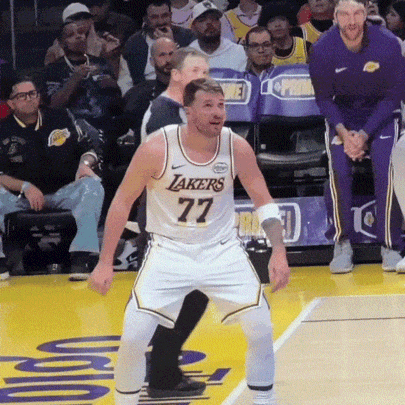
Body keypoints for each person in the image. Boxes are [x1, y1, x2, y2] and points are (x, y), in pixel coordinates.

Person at [89, 77, 290, 405]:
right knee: (134, 336)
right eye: (208, 106)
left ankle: (265, 401)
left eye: (221, 105)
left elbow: (263, 201)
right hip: (169, 250)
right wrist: (104, 262)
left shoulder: (236, 146)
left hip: (221, 250)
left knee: (261, 327)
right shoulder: (157, 147)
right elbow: (122, 202)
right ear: (188, 111)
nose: (217, 112)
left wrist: (278, 251)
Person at [309, 0, 405, 273]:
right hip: (343, 116)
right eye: (345, 14)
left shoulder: (388, 43)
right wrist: (344, 132)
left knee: (387, 166)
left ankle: (390, 245)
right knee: (338, 169)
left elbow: (394, 96)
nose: (351, 21)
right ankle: (342, 243)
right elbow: (323, 99)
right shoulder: (322, 48)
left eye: (357, 14)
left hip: (381, 115)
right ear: (335, 17)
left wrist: (364, 134)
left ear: (365, 15)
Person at [0, 77, 104, 281]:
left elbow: (91, 149)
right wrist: (25, 187)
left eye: (32, 94)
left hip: (64, 191)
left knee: (93, 185)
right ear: (10, 103)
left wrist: (85, 163)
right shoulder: (2, 129)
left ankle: (81, 256)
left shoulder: (61, 117)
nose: (29, 99)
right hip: (19, 197)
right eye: (22, 96)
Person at [123, 0, 195, 85]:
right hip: (147, 90)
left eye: (165, 16)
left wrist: (172, 43)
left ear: (171, 16)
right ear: (145, 20)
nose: (161, 22)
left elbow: (193, 71)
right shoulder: (134, 43)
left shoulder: (187, 36)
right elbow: (128, 80)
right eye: (154, 17)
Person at [188, 1, 248, 71]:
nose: (209, 23)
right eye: (202, 20)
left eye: (214, 18)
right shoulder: (188, 55)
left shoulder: (238, 52)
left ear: (220, 23)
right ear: (193, 27)